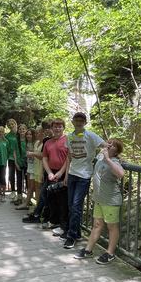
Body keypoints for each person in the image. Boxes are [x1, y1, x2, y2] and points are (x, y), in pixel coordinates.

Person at [74, 139, 124, 264]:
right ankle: (88, 250)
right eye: (108, 142)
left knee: (112, 226)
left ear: (116, 151)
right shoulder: (100, 156)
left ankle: (110, 253)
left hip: (111, 199)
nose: (109, 145)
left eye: (112, 145)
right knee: (97, 224)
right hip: (99, 199)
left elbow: (121, 174)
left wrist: (108, 159)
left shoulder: (114, 161)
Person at [63, 112, 106, 249]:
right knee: (71, 205)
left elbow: (105, 145)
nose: (79, 122)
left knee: (76, 205)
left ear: (85, 122)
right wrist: (66, 175)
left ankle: (71, 236)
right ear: (73, 122)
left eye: (81, 120)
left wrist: (101, 158)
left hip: (84, 175)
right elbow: (69, 157)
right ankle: (76, 233)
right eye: (76, 120)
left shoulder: (91, 135)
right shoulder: (69, 137)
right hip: (72, 174)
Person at [42, 119, 69, 234]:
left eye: (60, 126)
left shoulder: (68, 140)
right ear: (51, 128)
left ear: (63, 128)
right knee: (51, 198)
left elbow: (69, 158)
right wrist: (49, 173)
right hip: (51, 173)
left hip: (63, 173)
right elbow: (44, 158)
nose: (57, 129)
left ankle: (63, 226)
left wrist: (60, 173)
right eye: (55, 127)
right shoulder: (48, 142)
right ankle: (53, 221)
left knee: (63, 200)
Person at [16, 128, 36, 210]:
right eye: (27, 134)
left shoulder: (36, 143)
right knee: (30, 186)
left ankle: (31, 204)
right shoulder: (28, 144)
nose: (28, 135)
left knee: (34, 187)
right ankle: (27, 203)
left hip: (35, 167)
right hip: (29, 166)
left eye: (30, 134)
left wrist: (32, 153)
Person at [13, 124, 27, 205]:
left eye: (23, 129)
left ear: (26, 130)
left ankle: (28, 198)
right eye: (20, 129)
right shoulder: (16, 140)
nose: (22, 131)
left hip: (26, 163)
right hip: (18, 162)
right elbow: (14, 152)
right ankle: (19, 197)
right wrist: (15, 162)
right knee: (19, 180)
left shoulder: (27, 139)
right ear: (18, 131)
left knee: (27, 180)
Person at [5, 118, 18, 201]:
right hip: (11, 158)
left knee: (21, 175)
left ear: (15, 123)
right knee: (11, 175)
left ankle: (20, 193)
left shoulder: (20, 133)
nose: (11, 126)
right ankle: (13, 191)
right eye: (9, 125)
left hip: (20, 158)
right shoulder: (7, 136)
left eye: (12, 124)